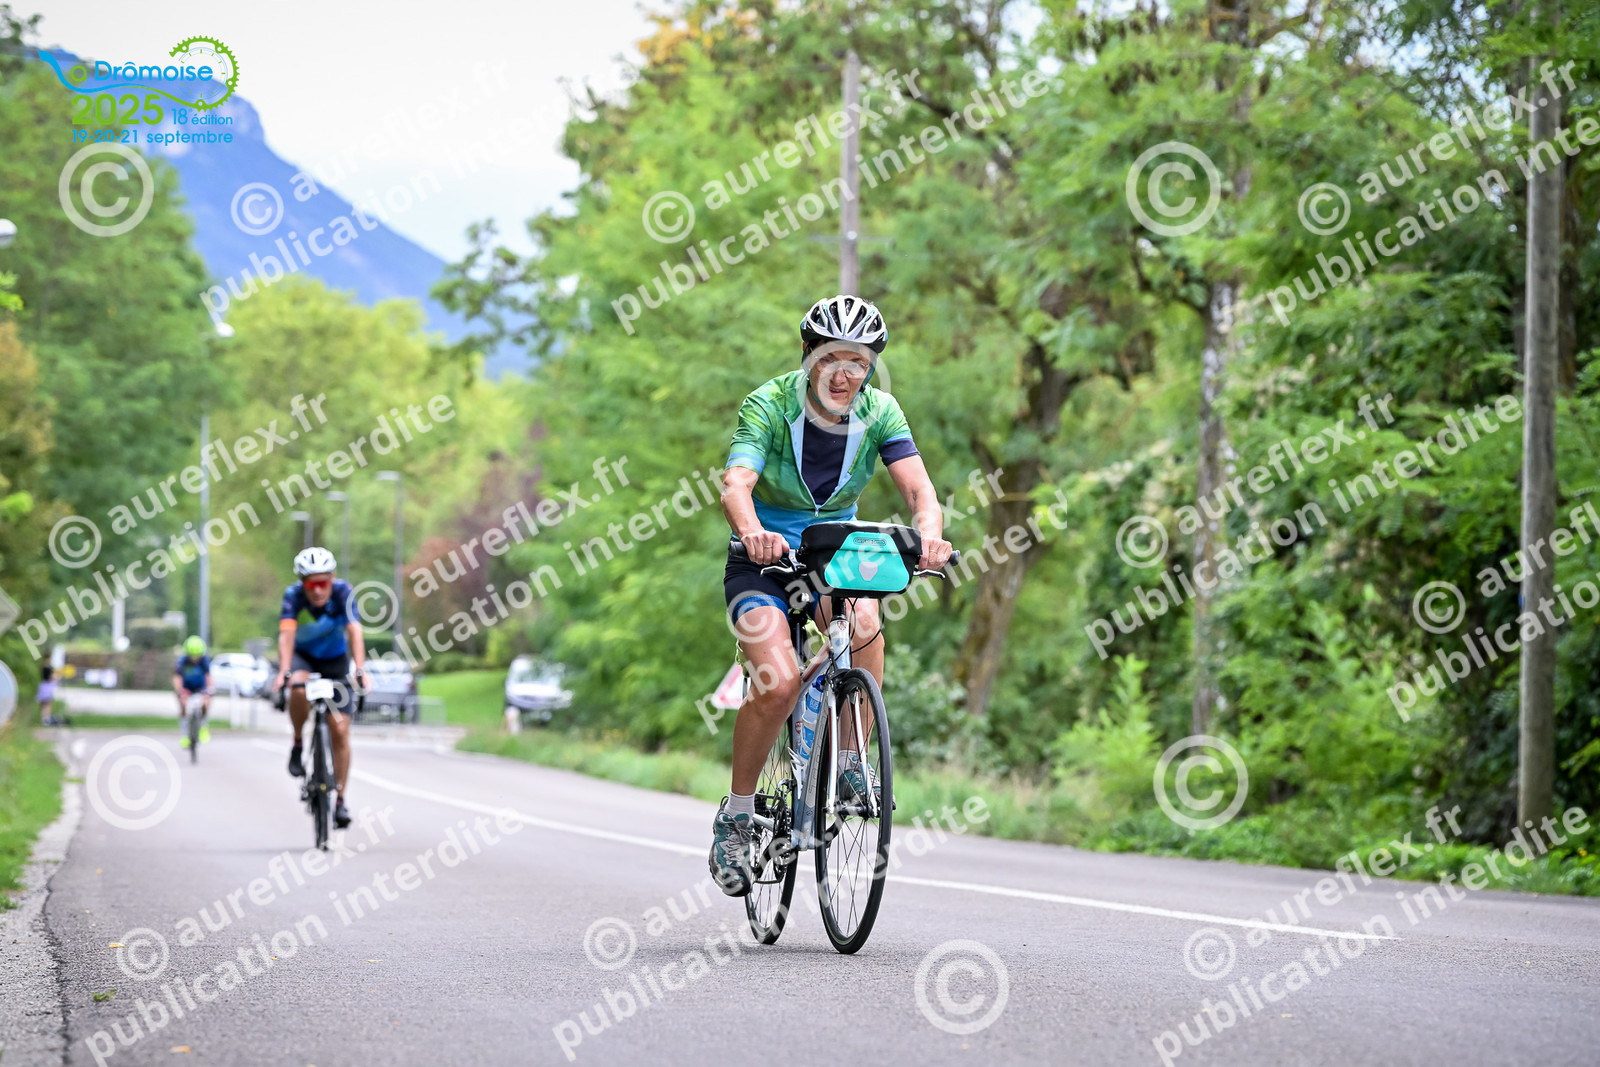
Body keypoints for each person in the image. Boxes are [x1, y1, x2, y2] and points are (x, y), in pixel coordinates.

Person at [708, 294, 952, 896]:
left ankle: (850, 762)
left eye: (859, 363)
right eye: (831, 360)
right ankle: (737, 816)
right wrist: (753, 532)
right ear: (808, 355)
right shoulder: (769, 403)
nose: (844, 376)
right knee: (779, 683)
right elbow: (736, 482)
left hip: (833, 554)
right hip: (763, 561)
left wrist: (930, 538)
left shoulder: (881, 411)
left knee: (865, 624)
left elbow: (920, 491)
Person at [274, 546, 368, 829]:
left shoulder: (343, 593)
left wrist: (360, 670)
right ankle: (298, 742)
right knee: (298, 688)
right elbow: (286, 634)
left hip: (335, 661)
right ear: (302, 583)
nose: (317, 590)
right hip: (303, 657)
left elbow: (355, 631)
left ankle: (340, 800)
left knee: (340, 730)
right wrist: (284, 671)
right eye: (310, 584)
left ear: (332, 579)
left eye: (323, 583)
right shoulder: (293, 596)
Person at [173, 636, 212, 747]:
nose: (195, 658)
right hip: (186, 689)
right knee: (183, 704)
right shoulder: (182, 662)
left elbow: (208, 676)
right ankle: (185, 734)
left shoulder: (204, 661)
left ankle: (203, 727)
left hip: (200, 688)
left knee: (205, 703)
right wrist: (179, 690)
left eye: (197, 655)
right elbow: (177, 677)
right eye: (192, 655)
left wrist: (210, 689)